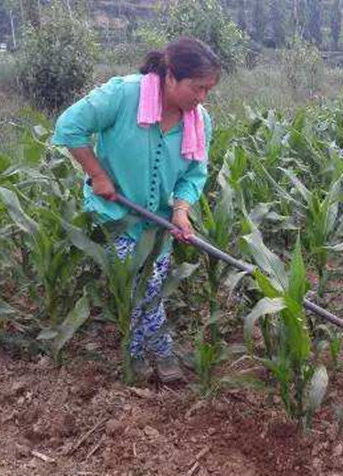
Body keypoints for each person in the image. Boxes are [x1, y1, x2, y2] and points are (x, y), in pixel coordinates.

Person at [52, 38, 221, 383]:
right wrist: (97, 175)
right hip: (118, 213)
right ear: (171, 76)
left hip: (158, 221)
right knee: (141, 284)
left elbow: (194, 173)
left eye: (209, 90)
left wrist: (182, 210)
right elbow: (68, 127)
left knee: (150, 283)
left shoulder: (199, 120)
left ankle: (140, 348)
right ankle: (156, 350)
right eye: (197, 87)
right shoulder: (123, 95)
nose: (202, 97)